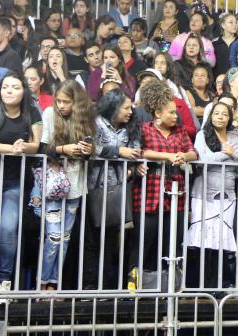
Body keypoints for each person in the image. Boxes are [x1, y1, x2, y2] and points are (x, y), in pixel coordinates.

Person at [0, 72, 42, 294]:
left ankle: (4, 282)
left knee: (8, 229)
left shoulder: (31, 111)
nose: (9, 91)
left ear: (24, 91)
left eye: (15, 87)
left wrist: (24, 147)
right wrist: (11, 149)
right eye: (5, 87)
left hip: (14, 181)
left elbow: (36, 145)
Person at [133, 80, 197, 279]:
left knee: (171, 243)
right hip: (149, 193)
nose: (175, 115)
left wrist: (183, 156)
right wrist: (167, 157)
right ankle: (133, 284)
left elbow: (193, 152)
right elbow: (140, 151)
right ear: (158, 114)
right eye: (170, 112)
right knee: (144, 242)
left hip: (175, 195)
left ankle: (167, 286)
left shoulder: (180, 131)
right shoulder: (145, 129)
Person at [36, 80, 96, 291]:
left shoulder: (85, 119)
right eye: (59, 101)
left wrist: (87, 151)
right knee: (53, 238)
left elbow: (91, 154)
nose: (61, 105)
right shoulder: (49, 114)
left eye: (66, 102)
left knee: (65, 239)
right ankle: (42, 283)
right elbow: (42, 148)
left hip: (76, 185)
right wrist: (64, 149)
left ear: (76, 103)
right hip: (53, 185)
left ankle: (53, 284)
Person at [84, 89, 142, 290]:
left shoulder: (131, 127)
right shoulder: (97, 122)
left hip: (118, 190)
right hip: (94, 186)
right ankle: (89, 287)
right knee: (92, 240)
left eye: (131, 107)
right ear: (113, 106)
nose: (130, 111)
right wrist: (119, 152)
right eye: (126, 107)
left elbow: (135, 152)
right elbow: (93, 149)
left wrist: (134, 166)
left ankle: (105, 287)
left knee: (110, 241)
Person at [185, 101, 238, 289]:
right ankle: (201, 285)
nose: (220, 117)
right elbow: (203, 160)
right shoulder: (202, 135)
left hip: (228, 195)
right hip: (203, 194)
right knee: (203, 241)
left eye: (224, 114)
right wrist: (226, 154)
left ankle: (219, 285)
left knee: (221, 241)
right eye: (216, 113)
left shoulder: (234, 138)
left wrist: (234, 154)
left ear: (230, 118)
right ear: (210, 116)